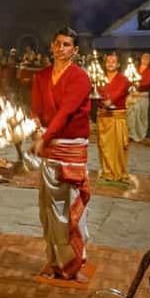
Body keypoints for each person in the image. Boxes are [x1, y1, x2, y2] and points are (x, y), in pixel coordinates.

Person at [30, 27, 91, 281]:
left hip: (70, 148)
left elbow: (65, 112)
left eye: (66, 44)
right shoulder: (42, 76)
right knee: (47, 209)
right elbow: (36, 109)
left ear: (75, 51)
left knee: (68, 210)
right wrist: (36, 131)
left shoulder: (80, 78)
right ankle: (55, 262)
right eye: (57, 43)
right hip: (49, 149)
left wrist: (44, 138)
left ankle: (73, 264)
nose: (60, 48)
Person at [96, 53, 130, 182]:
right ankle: (107, 172)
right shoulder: (99, 78)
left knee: (119, 147)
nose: (110, 63)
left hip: (117, 117)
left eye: (113, 61)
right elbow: (96, 92)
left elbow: (119, 92)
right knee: (104, 146)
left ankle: (120, 173)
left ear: (118, 64)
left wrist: (109, 101)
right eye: (108, 60)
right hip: (103, 116)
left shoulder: (123, 79)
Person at [127, 53, 150, 142]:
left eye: (147, 58)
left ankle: (140, 133)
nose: (145, 60)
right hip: (133, 95)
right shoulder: (135, 69)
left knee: (141, 116)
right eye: (144, 58)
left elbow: (148, 83)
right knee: (132, 114)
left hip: (143, 95)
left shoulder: (149, 71)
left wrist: (138, 84)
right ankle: (131, 133)